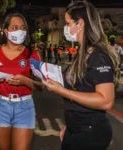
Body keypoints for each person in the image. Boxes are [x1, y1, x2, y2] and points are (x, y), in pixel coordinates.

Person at [42, 1, 121, 150]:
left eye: (68, 23)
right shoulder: (83, 52)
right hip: (76, 129)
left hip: (90, 132)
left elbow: (106, 101)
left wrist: (62, 91)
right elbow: (83, 89)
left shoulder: (99, 56)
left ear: (80, 23)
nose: (66, 28)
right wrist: (70, 125)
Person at [0, 13, 43, 150]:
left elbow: (41, 86)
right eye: (15, 27)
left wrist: (25, 81)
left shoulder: (33, 54)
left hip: (25, 107)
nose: (20, 31)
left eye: (23, 28)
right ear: (6, 31)